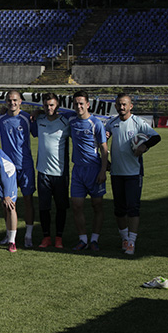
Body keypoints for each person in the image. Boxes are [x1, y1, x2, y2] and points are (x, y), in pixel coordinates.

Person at [105, 93, 161, 255]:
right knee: (119, 209)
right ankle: (124, 238)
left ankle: (131, 242)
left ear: (131, 106)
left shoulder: (138, 122)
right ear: (115, 106)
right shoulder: (112, 123)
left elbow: (156, 137)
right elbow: (102, 140)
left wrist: (144, 147)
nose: (121, 107)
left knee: (133, 208)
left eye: (124, 104)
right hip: (116, 173)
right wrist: (106, 161)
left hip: (133, 173)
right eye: (119, 105)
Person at [0, 90, 36, 247]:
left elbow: (37, 132)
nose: (12, 103)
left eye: (15, 100)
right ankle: (9, 234)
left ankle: (28, 235)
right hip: (8, 168)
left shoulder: (26, 118)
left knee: (28, 200)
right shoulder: (0, 119)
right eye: (9, 100)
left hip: (26, 166)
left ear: (20, 102)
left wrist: (37, 113)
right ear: (5, 102)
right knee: (7, 202)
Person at [30, 93, 71, 249]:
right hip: (43, 172)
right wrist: (36, 113)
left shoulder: (65, 122)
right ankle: (46, 237)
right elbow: (29, 119)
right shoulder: (39, 120)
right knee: (44, 207)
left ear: (57, 106)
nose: (49, 108)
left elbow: (75, 115)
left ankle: (59, 237)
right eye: (46, 105)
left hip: (60, 173)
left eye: (52, 105)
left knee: (61, 207)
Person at [69, 90, 108, 252]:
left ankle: (95, 239)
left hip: (94, 169)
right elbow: (51, 111)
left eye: (81, 103)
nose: (79, 106)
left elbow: (104, 149)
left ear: (88, 105)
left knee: (97, 205)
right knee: (77, 205)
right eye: (76, 104)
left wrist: (103, 171)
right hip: (77, 170)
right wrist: (37, 111)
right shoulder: (70, 119)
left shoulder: (96, 123)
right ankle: (83, 239)